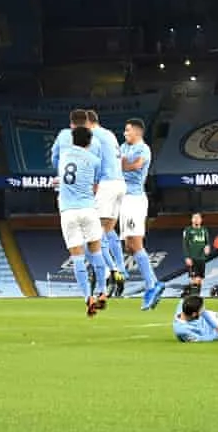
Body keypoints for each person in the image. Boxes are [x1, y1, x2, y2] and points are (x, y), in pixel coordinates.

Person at [58, 125, 112, 316]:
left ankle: (87, 297)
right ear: (89, 142)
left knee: (77, 257)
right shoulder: (95, 161)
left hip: (68, 211)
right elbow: (95, 186)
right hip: (88, 209)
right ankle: (102, 292)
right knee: (96, 252)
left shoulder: (64, 156)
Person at [119, 119, 165, 310]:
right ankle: (154, 283)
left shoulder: (143, 149)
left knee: (135, 243)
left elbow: (135, 165)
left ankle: (151, 286)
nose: (124, 133)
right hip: (123, 200)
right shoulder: (123, 147)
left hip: (134, 200)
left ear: (137, 132)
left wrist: (121, 164)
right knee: (129, 246)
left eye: (127, 130)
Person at [85, 110, 129, 296]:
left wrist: (94, 183)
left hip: (106, 185)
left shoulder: (93, 136)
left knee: (95, 233)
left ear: (88, 122)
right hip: (119, 184)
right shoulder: (110, 134)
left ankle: (111, 273)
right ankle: (120, 270)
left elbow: (94, 161)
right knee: (109, 230)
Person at [182, 212, 211, 296]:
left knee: (200, 279)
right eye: (194, 217)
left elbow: (207, 243)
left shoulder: (204, 230)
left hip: (201, 258)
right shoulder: (188, 230)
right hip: (192, 258)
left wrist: (207, 248)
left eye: (198, 218)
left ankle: (196, 295)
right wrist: (187, 257)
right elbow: (185, 244)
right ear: (191, 220)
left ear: (201, 220)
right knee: (195, 279)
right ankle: (193, 296)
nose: (196, 219)